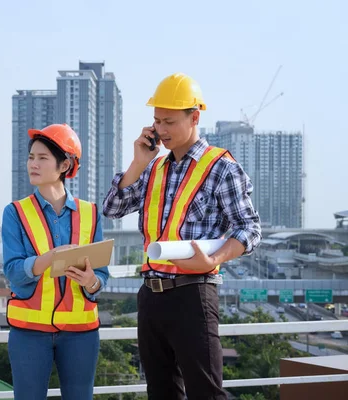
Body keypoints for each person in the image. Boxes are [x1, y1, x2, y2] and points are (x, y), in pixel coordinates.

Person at [102, 73, 261, 400]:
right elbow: (112, 208)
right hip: (150, 295)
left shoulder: (221, 168)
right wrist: (137, 162)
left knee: (205, 393)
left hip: (194, 295)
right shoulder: (153, 168)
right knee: (161, 393)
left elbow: (250, 229)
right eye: (157, 121)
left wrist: (213, 259)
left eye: (170, 122)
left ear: (195, 117)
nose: (161, 130)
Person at [2, 123, 110, 400]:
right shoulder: (15, 212)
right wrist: (47, 260)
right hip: (28, 333)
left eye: (42, 158)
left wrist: (92, 282)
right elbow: (13, 271)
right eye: (31, 157)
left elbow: (101, 274)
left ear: (64, 165)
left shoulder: (91, 213)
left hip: (81, 333)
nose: (33, 164)